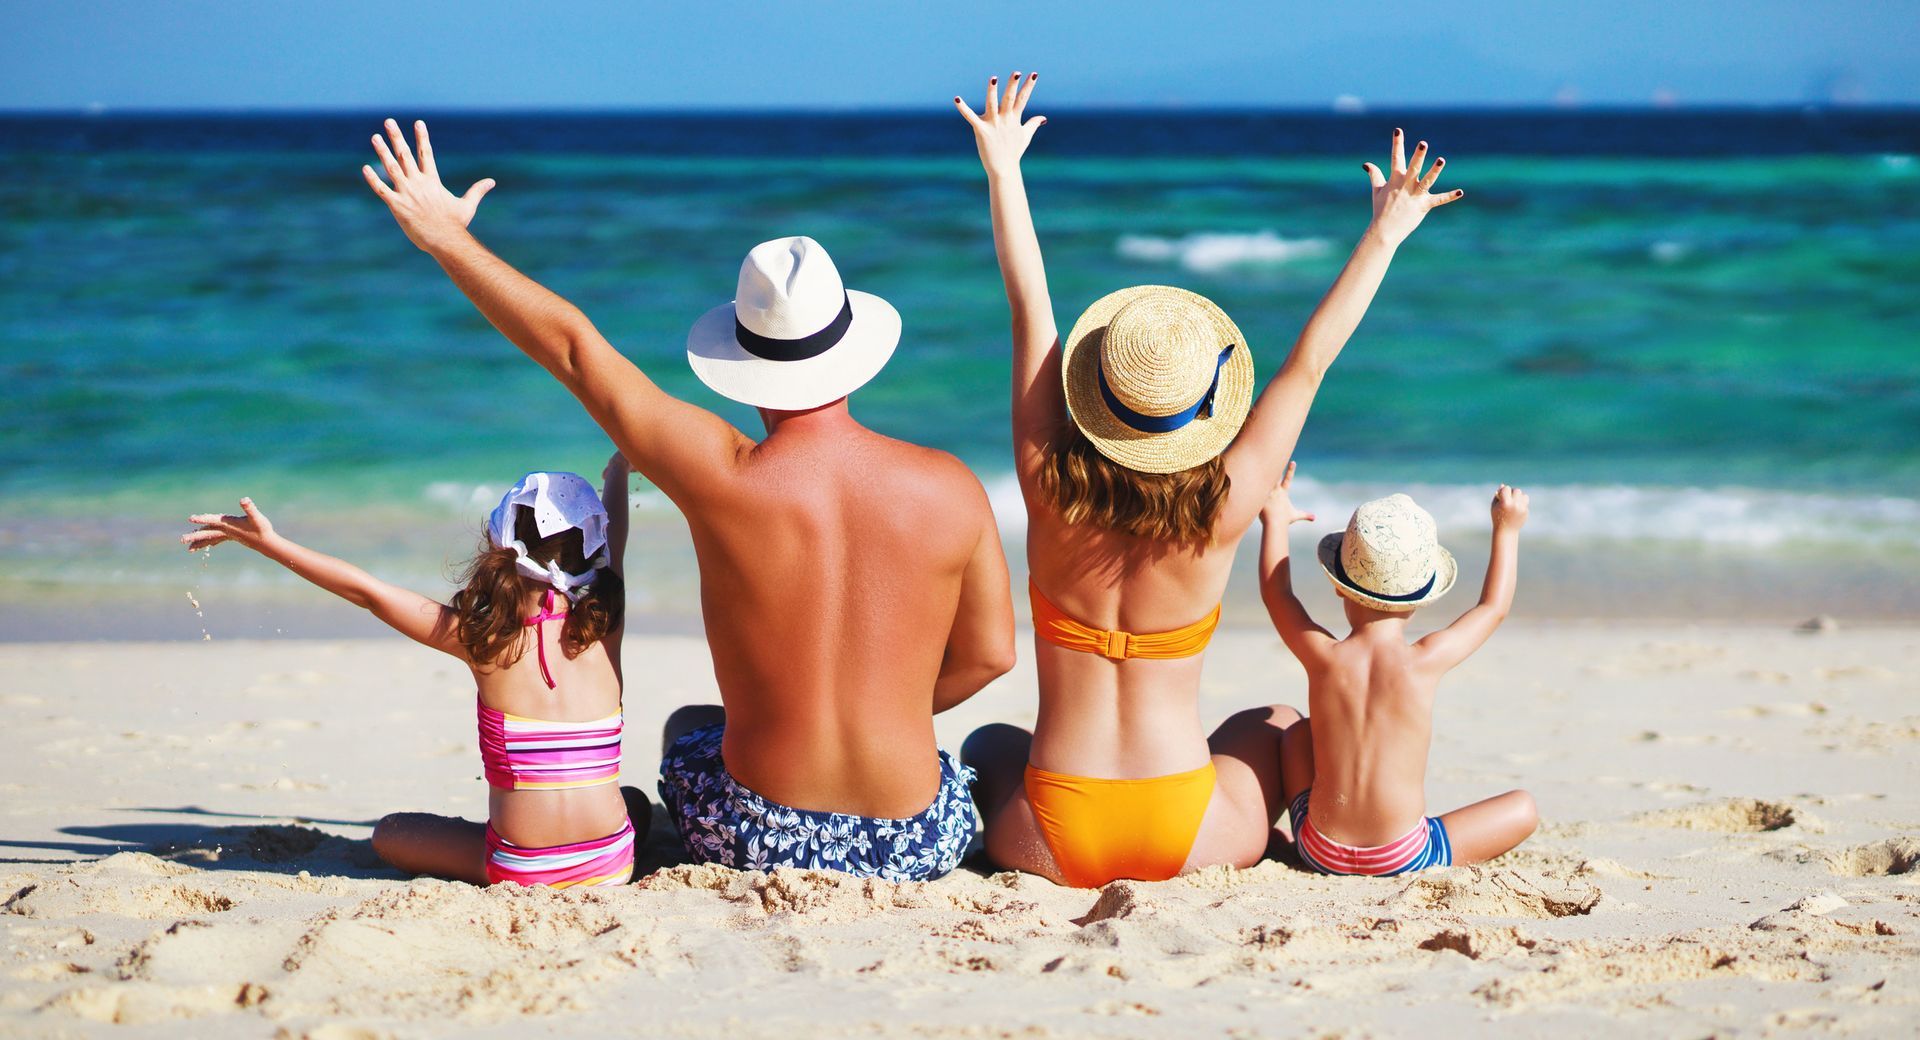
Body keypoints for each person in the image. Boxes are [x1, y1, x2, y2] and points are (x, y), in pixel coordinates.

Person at [360, 120, 1015, 881]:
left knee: (691, 728)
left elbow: (576, 351)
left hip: (755, 841)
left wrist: (448, 241)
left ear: (744, 360)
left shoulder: (719, 473)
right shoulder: (951, 485)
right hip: (911, 845)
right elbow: (991, 656)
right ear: (853, 351)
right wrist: (887, 717)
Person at [953, 72, 1465, 887]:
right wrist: (1386, 234)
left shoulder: (1046, 481)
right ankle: (1338, 845)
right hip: (1188, 832)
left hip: (1049, 837)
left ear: (1097, 398)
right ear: (1204, 411)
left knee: (989, 744)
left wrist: (1004, 170)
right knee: (1273, 724)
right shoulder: (1224, 507)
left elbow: (1031, 308)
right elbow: (1310, 364)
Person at [182, 458, 646, 888]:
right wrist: (618, 473)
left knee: (392, 832)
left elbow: (368, 592)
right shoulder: (607, 619)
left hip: (521, 870)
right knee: (635, 802)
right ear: (594, 550)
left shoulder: (479, 637)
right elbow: (616, 546)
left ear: (501, 541)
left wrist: (270, 544)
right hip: (611, 863)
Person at [1258, 475, 1539, 874]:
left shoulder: (1322, 654)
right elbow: (1492, 607)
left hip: (1318, 848)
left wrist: (1274, 521)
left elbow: (1278, 594)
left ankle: (1299, 838)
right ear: (1422, 599)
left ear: (1340, 587)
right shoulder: (1425, 659)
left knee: (1297, 734)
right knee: (1523, 807)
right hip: (1402, 855)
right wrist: (1506, 530)